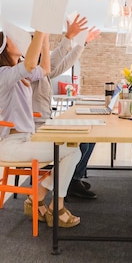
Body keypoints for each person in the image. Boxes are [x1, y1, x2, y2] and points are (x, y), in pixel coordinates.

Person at [0, 29, 82, 228]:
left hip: (26, 139)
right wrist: (40, 29)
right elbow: (30, 64)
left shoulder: (18, 74)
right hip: (13, 145)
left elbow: (44, 68)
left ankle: (38, 196)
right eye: (13, 39)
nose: (20, 41)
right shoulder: (1, 75)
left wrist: (45, 38)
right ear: (3, 47)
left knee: (72, 147)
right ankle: (56, 208)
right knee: (72, 151)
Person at [31, 14, 101, 199]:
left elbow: (64, 62)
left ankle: (73, 179)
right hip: (39, 128)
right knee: (83, 142)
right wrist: (68, 37)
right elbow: (55, 60)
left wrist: (82, 43)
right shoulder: (31, 73)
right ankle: (70, 181)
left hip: (47, 124)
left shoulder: (42, 73)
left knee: (90, 138)